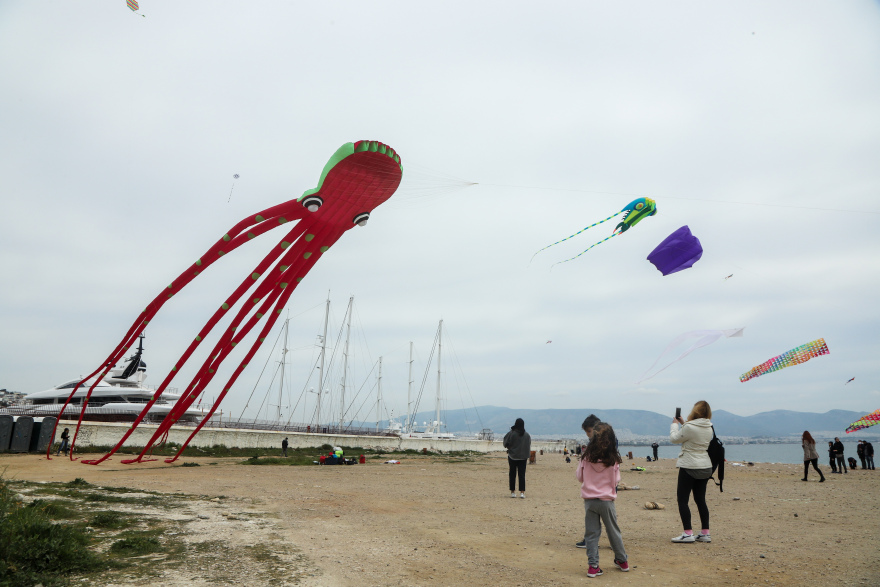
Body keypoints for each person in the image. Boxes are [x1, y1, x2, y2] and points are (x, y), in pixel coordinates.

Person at [576, 423, 629, 577]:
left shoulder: (586, 457)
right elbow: (616, 480)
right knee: (613, 531)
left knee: (591, 534)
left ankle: (593, 566)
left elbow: (580, 477)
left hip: (590, 500)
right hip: (607, 500)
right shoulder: (613, 459)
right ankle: (622, 560)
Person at [669, 400, 714, 543]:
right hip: (705, 466)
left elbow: (674, 439)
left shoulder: (689, 427)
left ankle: (688, 533)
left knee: (683, 500)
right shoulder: (709, 427)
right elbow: (696, 434)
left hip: (689, 466)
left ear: (695, 411)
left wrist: (675, 425)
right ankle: (705, 533)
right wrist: (684, 424)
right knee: (700, 499)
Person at [576, 414, 603, 549]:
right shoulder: (596, 443)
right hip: (599, 486)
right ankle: (591, 540)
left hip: (598, 486)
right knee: (596, 517)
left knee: (604, 517)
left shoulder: (604, 443)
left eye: (589, 431)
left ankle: (615, 542)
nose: (587, 435)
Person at [503, 418, 531, 498]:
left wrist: (510, 447)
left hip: (512, 457)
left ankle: (512, 492)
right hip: (523, 457)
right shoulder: (527, 435)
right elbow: (528, 445)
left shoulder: (511, 433)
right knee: (522, 475)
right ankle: (522, 492)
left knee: (512, 474)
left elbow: (505, 443)